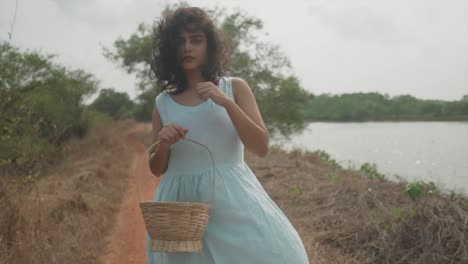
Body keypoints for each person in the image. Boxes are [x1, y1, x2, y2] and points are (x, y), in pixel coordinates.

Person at [146, 6, 310, 264]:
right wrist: (164, 144)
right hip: (181, 207)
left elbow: (261, 146)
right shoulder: (163, 102)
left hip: (232, 200)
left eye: (196, 40)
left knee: (281, 254)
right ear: (170, 49)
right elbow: (156, 168)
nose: (187, 47)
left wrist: (227, 103)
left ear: (209, 46)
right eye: (180, 41)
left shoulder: (234, 87)